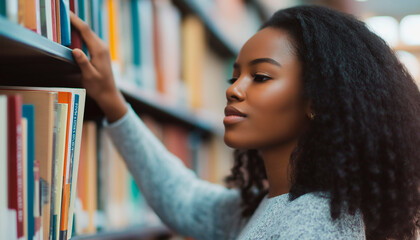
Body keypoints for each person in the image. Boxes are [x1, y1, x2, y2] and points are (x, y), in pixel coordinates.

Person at [69, 4, 420, 240]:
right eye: (234, 76)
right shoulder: (278, 202)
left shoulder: (314, 226)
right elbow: (188, 203)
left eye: (261, 77)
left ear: (316, 101)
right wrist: (114, 102)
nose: (234, 90)